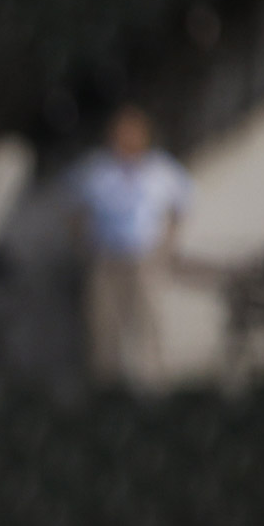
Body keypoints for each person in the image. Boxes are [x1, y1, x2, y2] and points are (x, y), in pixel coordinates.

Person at [69, 104, 192, 393]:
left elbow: (181, 207)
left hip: (144, 259)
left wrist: (166, 247)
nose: (127, 139)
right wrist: (84, 246)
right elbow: (74, 211)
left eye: (133, 133)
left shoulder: (161, 170)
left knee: (149, 328)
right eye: (121, 133)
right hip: (107, 259)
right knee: (103, 330)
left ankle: (154, 392)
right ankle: (106, 394)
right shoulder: (97, 170)